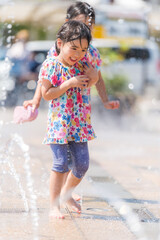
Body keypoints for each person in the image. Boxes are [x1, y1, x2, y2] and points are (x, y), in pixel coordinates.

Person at [39, 20, 93, 219]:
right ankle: (54, 205)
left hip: (78, 124)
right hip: (59, 124)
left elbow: (93, 79)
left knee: (82, 164)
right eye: (74, 48)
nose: (78, 54)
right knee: (60, 164)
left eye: (84, 50)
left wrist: (94, 75)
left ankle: (66, 193)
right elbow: (46, 94)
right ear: (60, 43)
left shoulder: (82, 64)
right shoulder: (51, 65)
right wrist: (69, 83)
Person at [23, 1, 119, 110]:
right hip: (60, 113)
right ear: (68, 22)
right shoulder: (58, 50)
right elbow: (44, 78)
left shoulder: (92, 53)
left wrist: (105, 100)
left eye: (89, 25)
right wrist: (36, 99)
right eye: (80, 24)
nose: (85, 29)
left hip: (81, 113)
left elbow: (99, 80)